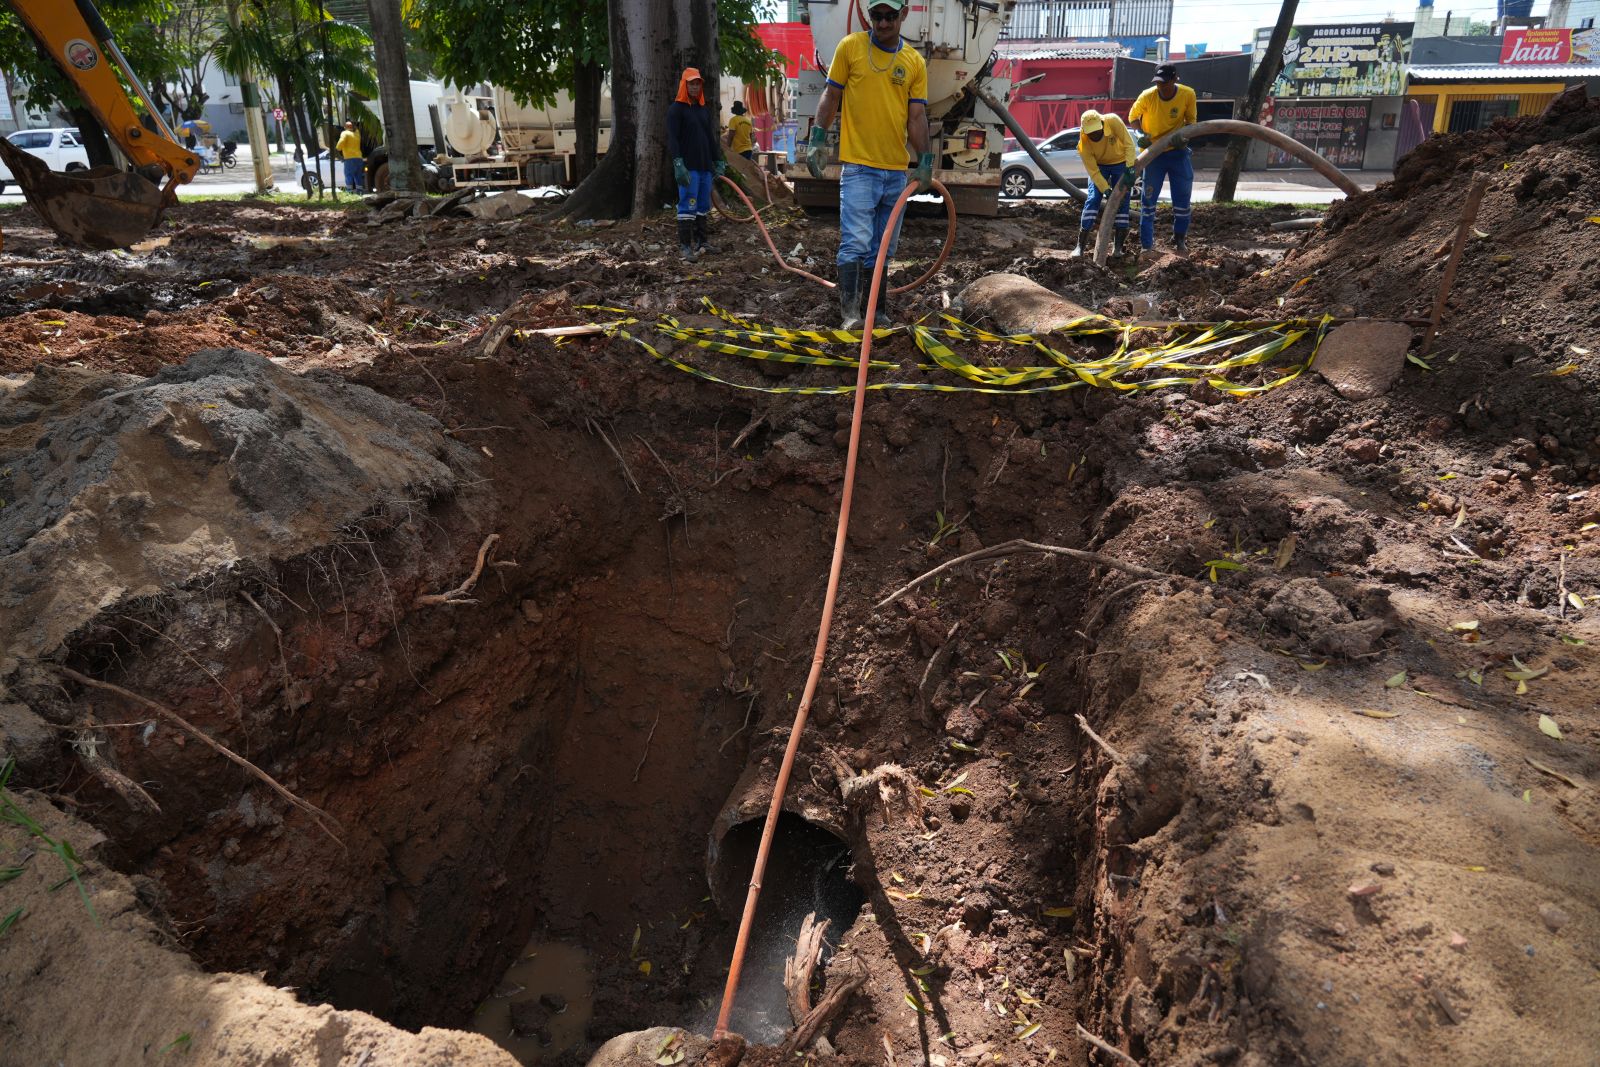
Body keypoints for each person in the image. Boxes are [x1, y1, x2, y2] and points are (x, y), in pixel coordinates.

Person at [805, 0, 932, 329]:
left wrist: (926, 160)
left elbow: (916, 116)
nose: (884, 23)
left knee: (884, 248)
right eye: (877, 16)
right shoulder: (851, 48)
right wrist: (818, 137)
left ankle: (875, 312)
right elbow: (831, 95)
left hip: (895, 174)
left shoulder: (913, 62)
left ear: (903, 14)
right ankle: (851, 315)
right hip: (859, 168)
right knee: (857, 243)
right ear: (868, 16)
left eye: (891, 16)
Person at [1128, 63, 1197, 254]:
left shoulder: (1187, 94)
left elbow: (1192, 123)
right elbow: (1133, 117)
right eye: (1158, 82)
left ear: (1175, 79)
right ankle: (1146, 245)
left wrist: (1184, 137)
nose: (1161, 87)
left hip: (1177, 153)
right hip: (1153, 154)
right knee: (1148, 200)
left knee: (1182, 199)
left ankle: (1180, 238)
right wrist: (1140, 132)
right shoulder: (1147, 96)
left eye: (1165, 83)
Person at [667, 66, 726, 261]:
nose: (695, 87)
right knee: (687, 204)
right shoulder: (676, 110)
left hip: (704, 167)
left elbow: (710, 137)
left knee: (702, 205)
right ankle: (685, 246)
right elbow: (673, 138)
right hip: (688, 168)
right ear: (684, 85)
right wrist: (677, 163)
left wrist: (718, 159)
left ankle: (702, 242)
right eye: (691, 84)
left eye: (697, 84)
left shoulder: (702, 110)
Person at [1073, 109, 1136, 257]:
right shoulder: (1084, 144)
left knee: (1122, 199)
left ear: (1102, 123)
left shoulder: (1113, 120)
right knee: (1094, 198)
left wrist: (1130, 167)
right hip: (1100, 167)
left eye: (1096, 131)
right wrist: (1105, 189)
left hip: (1120, 163)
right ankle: (1080, 247)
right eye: (1090, 133)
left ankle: (1118, 247)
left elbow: (1128, 144)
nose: (1094, 135)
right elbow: (1093, 171)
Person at [336, 121, 364, 193]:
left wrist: (337, 149)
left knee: (349, 176)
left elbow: (340, 144)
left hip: (349, 158)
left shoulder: (345, 133)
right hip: (359, 158)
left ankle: (349, 192)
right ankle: (360, 191)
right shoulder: (357, 134)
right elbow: (356, 129)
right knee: (358, 176)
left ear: (345, 127)